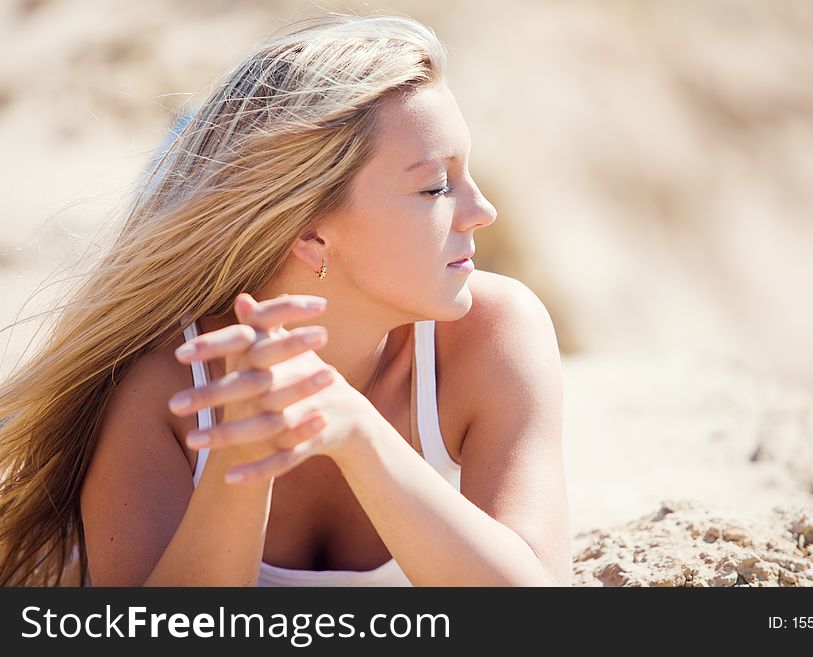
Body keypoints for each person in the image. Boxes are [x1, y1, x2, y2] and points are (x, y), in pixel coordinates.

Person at [0, 12, 571, 587]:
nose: (482, 211)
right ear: (310, 233)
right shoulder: (163, 388)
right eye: (435, 187)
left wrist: (360, 436)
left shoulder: (494, 333)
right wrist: (241, 463)